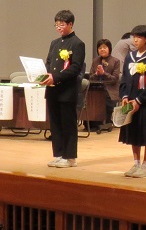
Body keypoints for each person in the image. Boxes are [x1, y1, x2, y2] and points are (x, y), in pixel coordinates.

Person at [41, 10, 85, 169]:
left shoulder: (77, 43)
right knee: (55, 124)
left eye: (62, 24)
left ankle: (70, 157)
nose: (58, 27)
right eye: (56, 24)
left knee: (68, 124)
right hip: (52, 89)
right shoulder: (54, 43)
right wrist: (45, 75)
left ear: (70, 24)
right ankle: (58, 155)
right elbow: (49, 62)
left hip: (67, 90)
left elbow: (75, 68)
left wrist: (56, 77)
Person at [119, 25, 146, 178]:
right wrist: (124, 96)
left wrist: (139, 100)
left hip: (144, 102)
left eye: (139, 37)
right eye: (134, 37)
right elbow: (125, 78)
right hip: (130, 100)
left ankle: (145, 165)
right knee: (133, 133)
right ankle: (136, 163)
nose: (135, 40)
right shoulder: (130, 56)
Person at [89, 39, 121, 130]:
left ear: (109, 49)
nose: (102, 49)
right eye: (100, 48)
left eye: (104, 47)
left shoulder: (115, 61)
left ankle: (105, 123)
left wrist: (104, 73)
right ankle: (91, 123)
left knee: (105, 97)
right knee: (90, 96)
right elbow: (90, 77)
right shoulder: (95, 61)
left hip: (110, 89)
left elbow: (115, 79)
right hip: (96, 88)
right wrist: (96, 74)